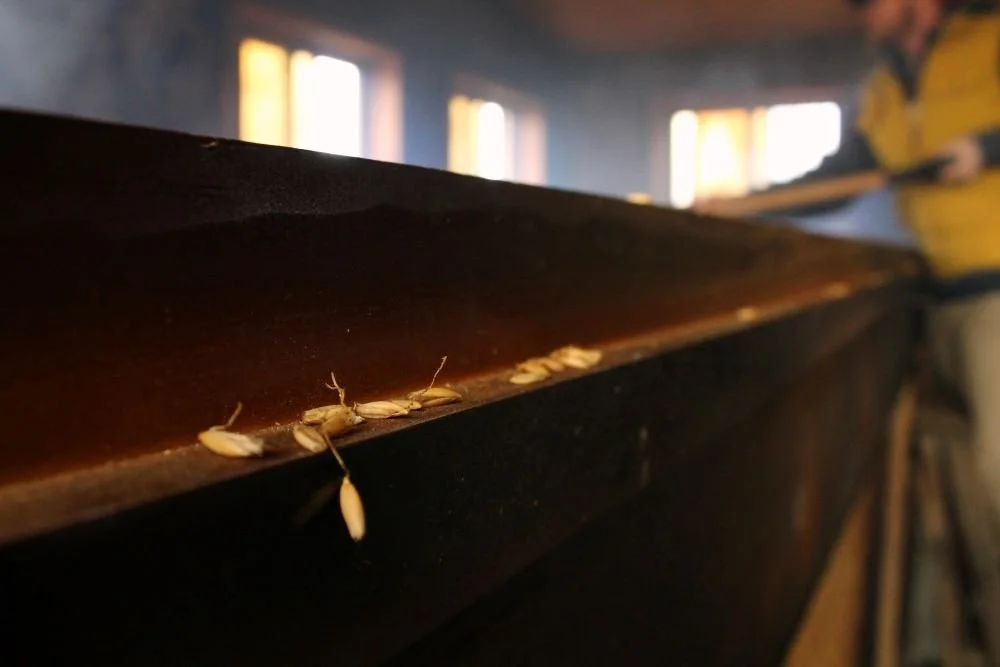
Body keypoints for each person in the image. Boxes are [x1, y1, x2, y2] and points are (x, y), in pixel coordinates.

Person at [699, 0, 1000, 522]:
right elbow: (834, 183)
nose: (864, 16)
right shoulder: (881, 93)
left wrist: (987, 146)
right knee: (969, 488)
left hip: (995, 297)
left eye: (870, 4)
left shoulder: (988, 41)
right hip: (941, 299)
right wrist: (746, 208)